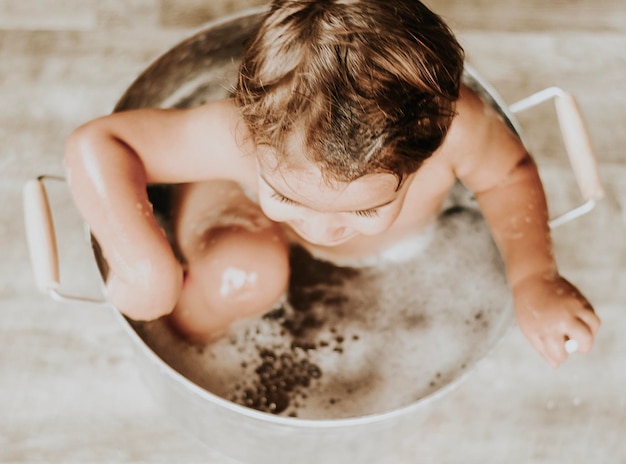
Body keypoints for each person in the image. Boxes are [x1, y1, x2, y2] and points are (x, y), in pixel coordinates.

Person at [64, 0, 599, 367]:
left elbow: (507, 175)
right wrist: (143, 264)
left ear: (429, 147)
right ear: (253, 126)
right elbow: (100, 145)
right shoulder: (240, 135)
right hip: (232, 212)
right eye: (288, 195)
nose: (322, 230)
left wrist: (534, 276)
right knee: (245, 271)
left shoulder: (457, 130)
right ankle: (183, 337)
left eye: (363, 211)